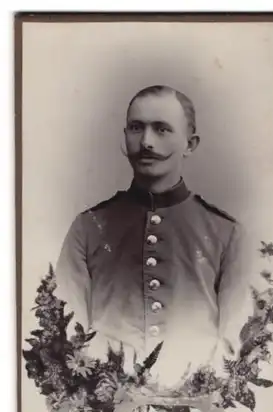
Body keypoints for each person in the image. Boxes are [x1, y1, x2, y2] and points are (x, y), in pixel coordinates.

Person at [56, 85, 250, 387]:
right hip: (106, 405)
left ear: (190, 143)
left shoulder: (227, 233)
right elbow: (66, 331)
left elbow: (237, 340)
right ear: (124, 136)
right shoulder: (88, 227)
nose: (146, 142)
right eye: (136, 128)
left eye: (162, 129)